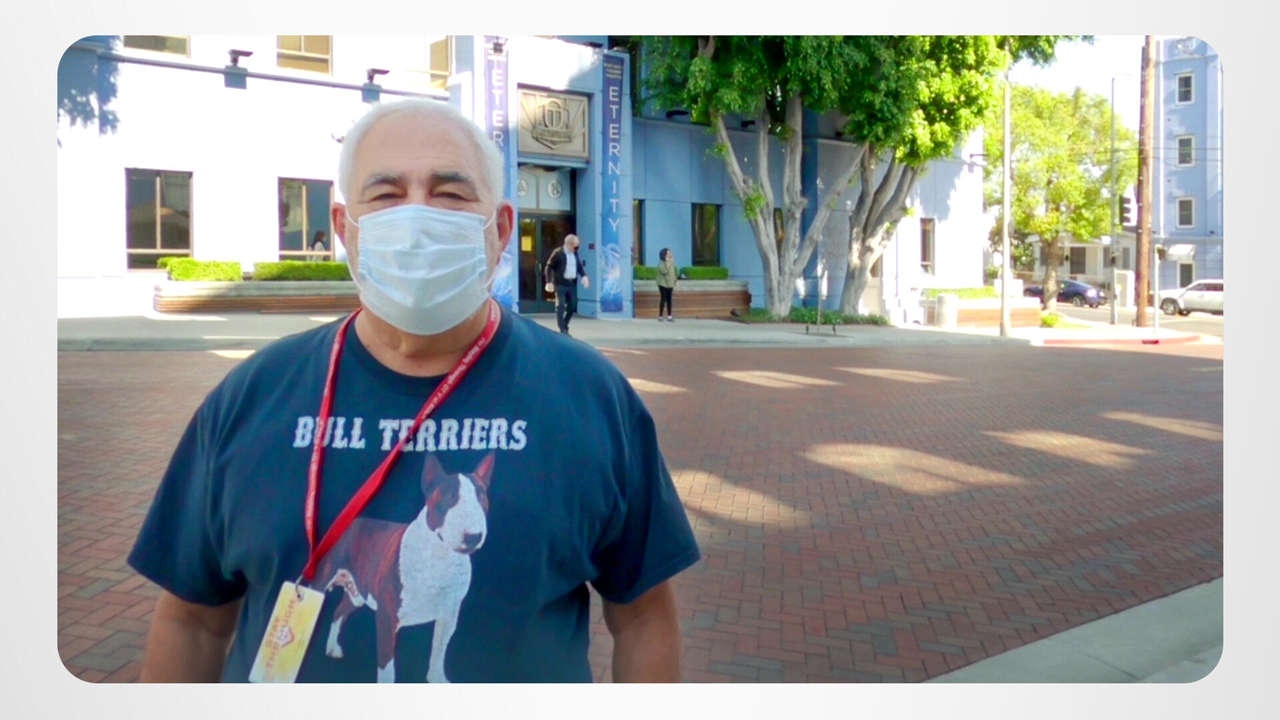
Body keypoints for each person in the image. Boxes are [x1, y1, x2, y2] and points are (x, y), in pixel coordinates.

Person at [127, 99, 699, 684]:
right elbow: (192, 623)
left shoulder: (591, 398)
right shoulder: (251, 398)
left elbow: (644, 619)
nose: (418, 218)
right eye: (386, 194)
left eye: (450, 194)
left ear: (501, 230)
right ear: (345, 228)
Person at [542, 234, 589, 336]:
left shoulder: (575, 253)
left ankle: (565, 324)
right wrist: (549, 281)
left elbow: (579, 266)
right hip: (560, 283)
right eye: (576, 246)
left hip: (571, 283)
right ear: (569, 244)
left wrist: (584, 276)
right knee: (561, 306)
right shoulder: (558, 253)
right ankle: (563, 329)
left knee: (573, 305)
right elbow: (549, 267)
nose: (577, 249)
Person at [656, 248, 677, 322]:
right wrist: (669, 262)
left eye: (670, 253)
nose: (670, 255)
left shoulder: (671, 262)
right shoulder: (661, 263)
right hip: (663, 284)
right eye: (668, 253)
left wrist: (675, 280)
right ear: (664, 255)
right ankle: (660, 316)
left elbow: (673, 272)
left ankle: (669, 316)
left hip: (670, 284)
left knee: (669, 300)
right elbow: (664, 271)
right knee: (663, 299)